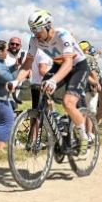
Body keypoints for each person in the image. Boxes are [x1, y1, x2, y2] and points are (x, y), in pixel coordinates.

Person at [9, 9, 90, 156]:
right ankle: (57, 130)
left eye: (38, 30)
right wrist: (16, 81)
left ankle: (84, 136)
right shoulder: (34, 40)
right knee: (42, 92)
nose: (36, 34)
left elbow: (69, 63)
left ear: (47, 26)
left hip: (77, 66)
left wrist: (53, 80)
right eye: (33, 30)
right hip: (59, 65)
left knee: (68, 102)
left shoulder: (62, 34)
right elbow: (27, 64)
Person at [79, 41, 102, 116]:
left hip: (79, 86)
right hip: (90, 86)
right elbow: (93, 72)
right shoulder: (90, 58)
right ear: (87, 48)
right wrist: (97, 84)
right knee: (91, 110)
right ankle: (89, 128)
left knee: (83, 110)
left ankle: (82, 127)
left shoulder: (77, 58)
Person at [4, 36, 25, 109]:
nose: (14, 46)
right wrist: (14, 66)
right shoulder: (4, 55)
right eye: (12, 44)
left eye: (17, 44)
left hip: (15, 95)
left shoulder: (20, 57)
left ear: (20, 46)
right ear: (8, 44)